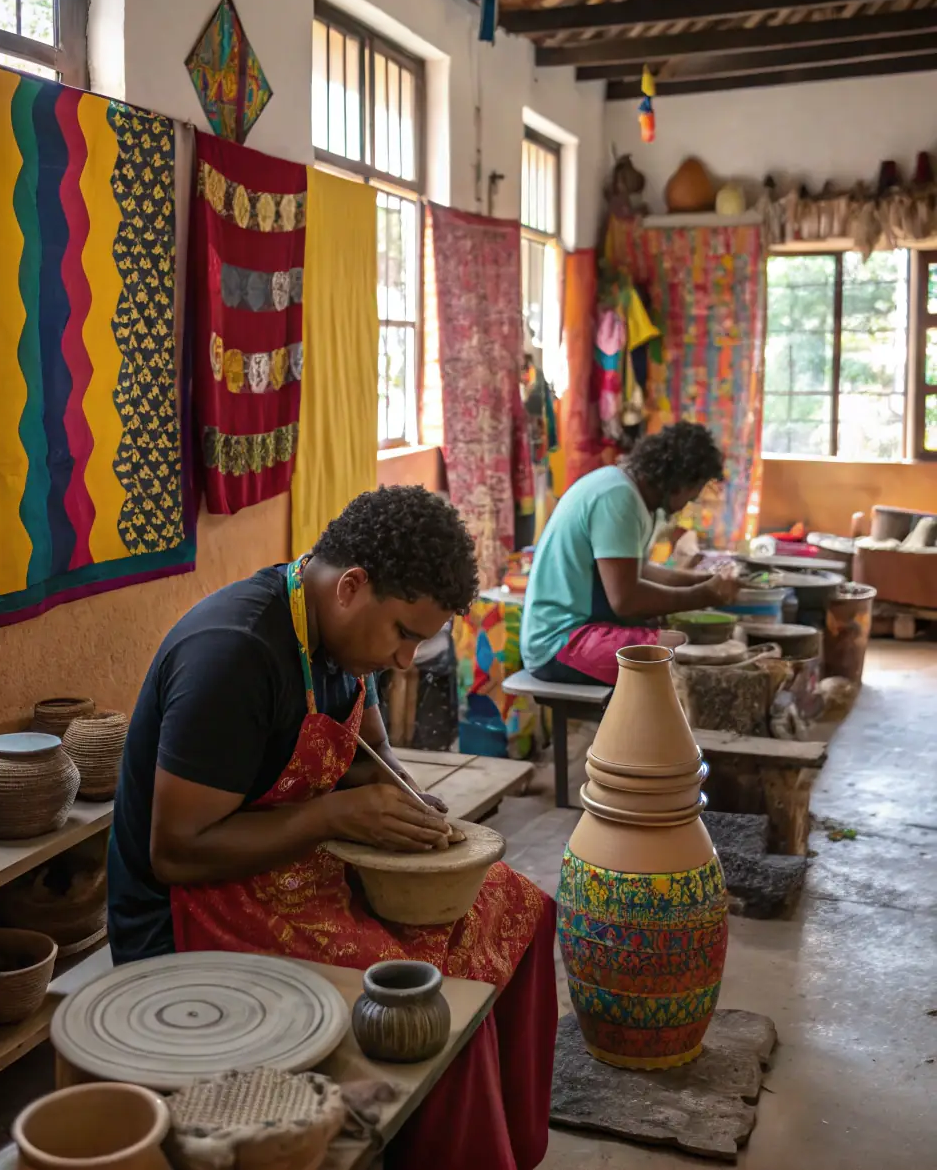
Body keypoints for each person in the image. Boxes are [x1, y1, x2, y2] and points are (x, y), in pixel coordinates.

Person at [108, 485, 557, 1170]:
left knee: (517, 905)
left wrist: (407, 801)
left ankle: (507, 1147)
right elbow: (174, 852)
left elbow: (368, 756)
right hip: (186, 909)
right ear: (351, 585)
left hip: (289, 863)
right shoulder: (232, 654)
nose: (407, 659)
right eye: (404, 634)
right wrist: (334, 815)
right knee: (430, 999)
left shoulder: (343, 642)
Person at [521, 421, 741, 686]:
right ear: (679, 481)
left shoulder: (626, 491)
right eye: (693, 493)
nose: (689, 503)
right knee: (687, 652)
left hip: (578, 633)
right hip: (559, 643)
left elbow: (638, 572)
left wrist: (703, 581)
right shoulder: (618, 497)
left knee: (689, 641)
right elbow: (627, 600)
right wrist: (704, 595)